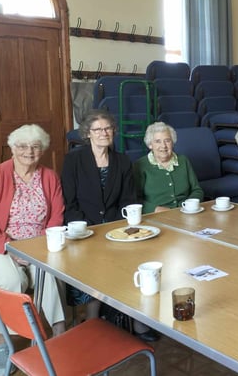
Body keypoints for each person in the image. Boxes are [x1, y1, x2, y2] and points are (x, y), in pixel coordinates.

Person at [61, 110, 156, 340]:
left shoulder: (122, 160)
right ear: (88, 134)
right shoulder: (73, 159)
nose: (104, 133)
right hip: (83, 227)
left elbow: (128, 199)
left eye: (108, 129)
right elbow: (70, 201)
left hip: (115, 226)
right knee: (91, 260)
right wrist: (85, 229)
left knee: (137, 256)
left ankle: (134, 318)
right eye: (98, 130)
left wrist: (121, 228)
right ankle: (93, 320)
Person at [0, 124, 66, 374]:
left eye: (35, 146)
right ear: (12, 148)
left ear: (42, 150)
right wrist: (8, 247)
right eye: (22, 146)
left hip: (38, 245)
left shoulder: (50, 177)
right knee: (10, 280)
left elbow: (56, 217)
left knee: (52, 274)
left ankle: (59, 335)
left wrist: (41, 247)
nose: (28, 152)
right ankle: (2, 343)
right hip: (2, 245)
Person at [134, 122, 203, 214]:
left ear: (173, 143)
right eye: (157, 141)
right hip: (156, 216)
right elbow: (135, 199)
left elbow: (197, 190)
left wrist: (189, 205)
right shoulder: (140, 165)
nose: (163, 146)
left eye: (167, 140)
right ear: (150, 145)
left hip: (186, 213)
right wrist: (155, 209)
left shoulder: (183, 160)